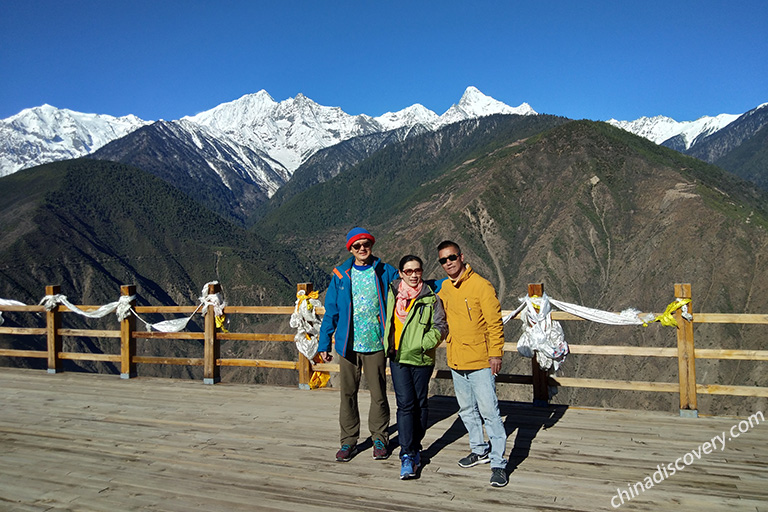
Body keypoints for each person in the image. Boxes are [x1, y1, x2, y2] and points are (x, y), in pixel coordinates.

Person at [318, 227, 399, 462]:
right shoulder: (341, 275)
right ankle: (348, 441)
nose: (362, 249)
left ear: (371, 245)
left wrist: (443, 283)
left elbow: (408, 286)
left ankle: (379, 438)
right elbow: (331, 310)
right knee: (348, 394)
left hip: (375, 343)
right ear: (350, 249)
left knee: (378, 394)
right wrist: (324, 343)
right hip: (348, 345)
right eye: (357, 246)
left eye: (366, 244)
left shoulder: (385, 271)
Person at [436, 240, 509, 488]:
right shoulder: (445, 288)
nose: (448, 263)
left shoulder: (482, 287)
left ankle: (499, 463)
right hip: (456, 360)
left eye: (452, 257)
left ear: (462, 256)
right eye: (443, 260)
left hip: (480, 361)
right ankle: (479, 450)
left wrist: (496, 354)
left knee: (490, 413)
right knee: (467, 410)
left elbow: (494, 324)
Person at [383, 255, 448, 480]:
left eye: (417, 270)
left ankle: (415, 445)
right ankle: (407, 453)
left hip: (421, 358)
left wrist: (424, 343)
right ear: (400, 273)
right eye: (408, 271)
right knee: (405, 405)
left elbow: (440, 326)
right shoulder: (392, 295)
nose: (413, 275)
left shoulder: (430, 298)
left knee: (420, 403)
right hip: (398, 357)